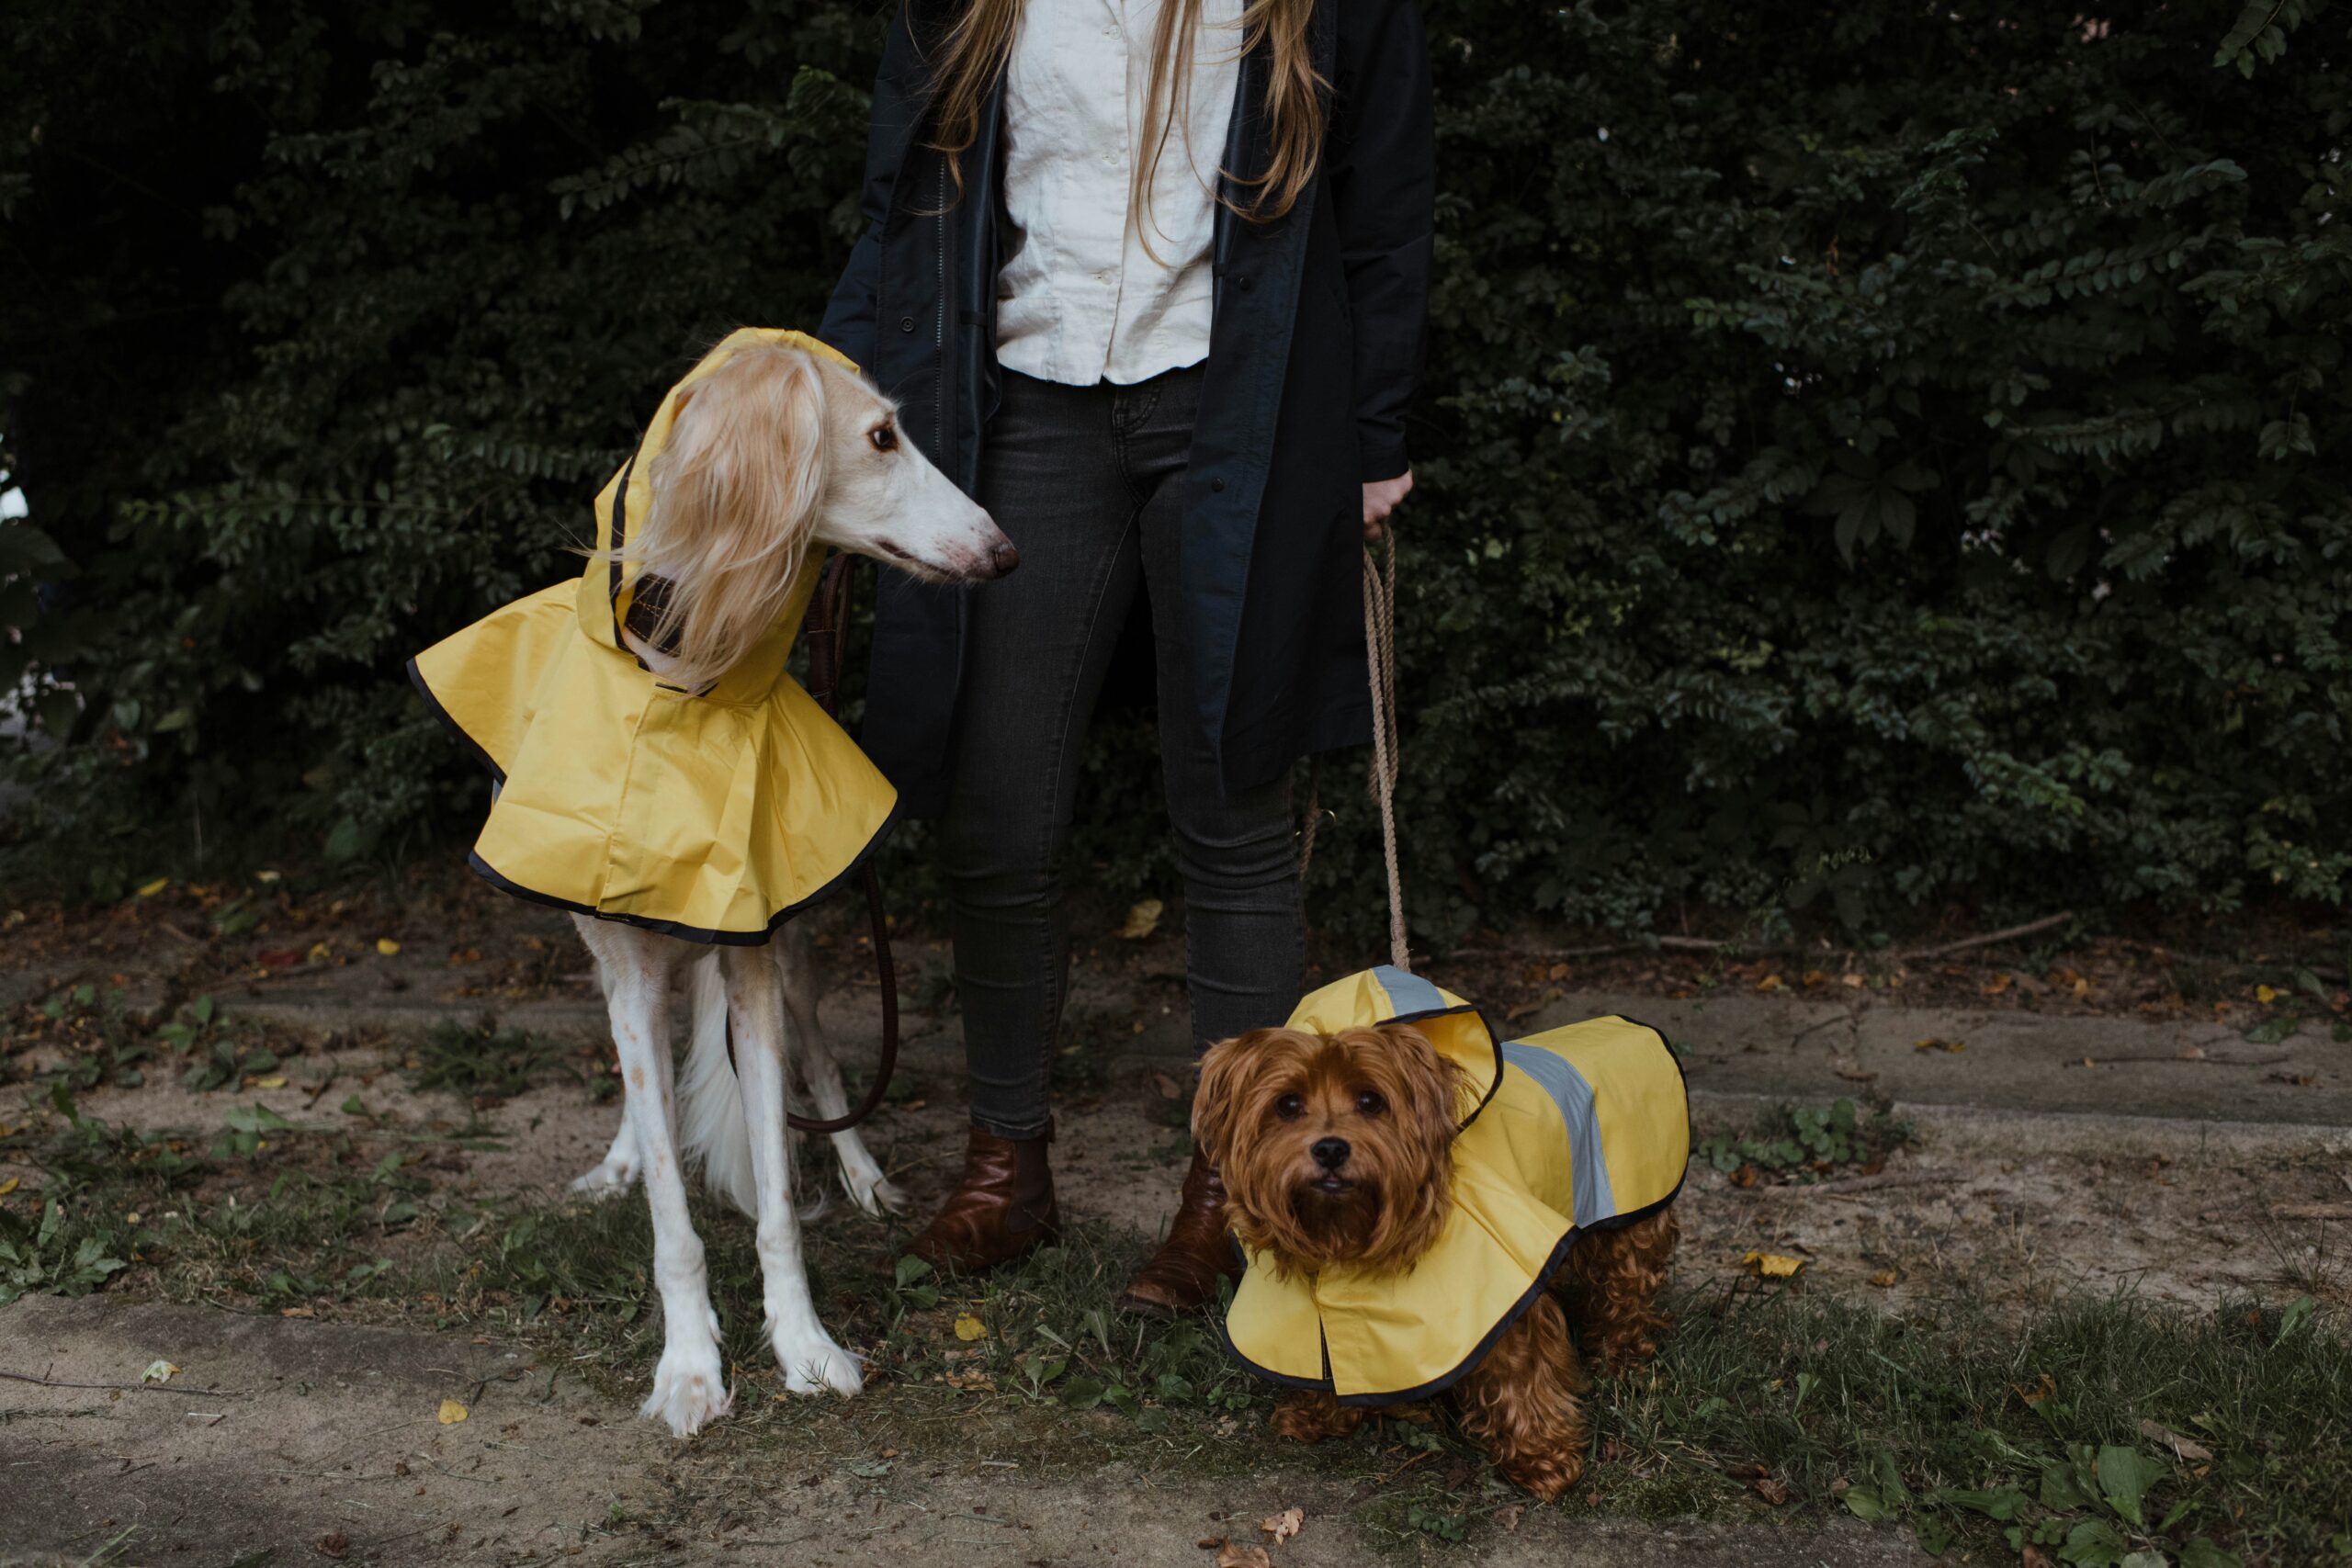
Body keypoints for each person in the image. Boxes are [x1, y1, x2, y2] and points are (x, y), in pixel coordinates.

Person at [817, 0, 1433, 1315]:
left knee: (1234, 805)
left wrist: (1375, 436)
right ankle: (1006, 1166)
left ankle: (1230, 1192)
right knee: (994, 810)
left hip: (1242, 405)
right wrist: (840, 410)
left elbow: (1387, 207)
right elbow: (899, 210)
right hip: (1022, 404)